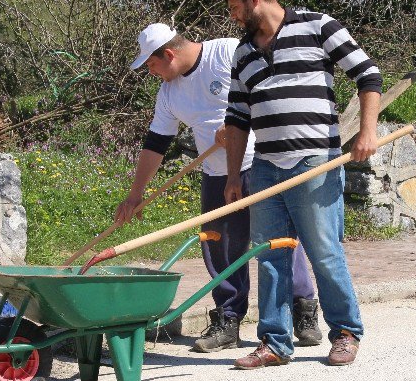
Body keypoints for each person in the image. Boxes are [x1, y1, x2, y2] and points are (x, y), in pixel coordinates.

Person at [115, 23, 322, 352]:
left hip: (261, 162)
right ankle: (228, 319)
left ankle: (302, 310)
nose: (150, 72)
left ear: (169, 54)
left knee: (277, 239)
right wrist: (135, 194)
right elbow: (156, 143)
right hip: (215, 172)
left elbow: (270, 89)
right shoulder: (169, 93)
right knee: (219, 246)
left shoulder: (227, 52)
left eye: (151, 64)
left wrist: (240, 123)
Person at [221, 0, 383, 369]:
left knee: (324, 251)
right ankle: (274, 343)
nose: (234, 16)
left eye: (236, 7)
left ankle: (345, 333)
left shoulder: (318, 26)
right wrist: (232, 177)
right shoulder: (243, 53)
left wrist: (367, 133)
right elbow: (238, 118)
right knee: (269, 255)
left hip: (316, 162)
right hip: (265, 167)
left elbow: (368, 75)